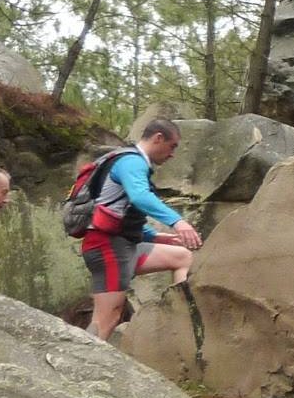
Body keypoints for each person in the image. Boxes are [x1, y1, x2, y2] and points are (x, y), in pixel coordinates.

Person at [82, 118, 205, 341]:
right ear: (158, 138)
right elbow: (139, 197)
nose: (173, 154)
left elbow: (119, 212)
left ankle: (179, 322)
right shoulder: (132, 162)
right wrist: (178, 222)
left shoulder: (130, 162)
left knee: (182, 257)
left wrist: (156, 236)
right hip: (107, 247)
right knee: (107, 317)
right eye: (173, 146)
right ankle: (78, 364)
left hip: (126, 246)